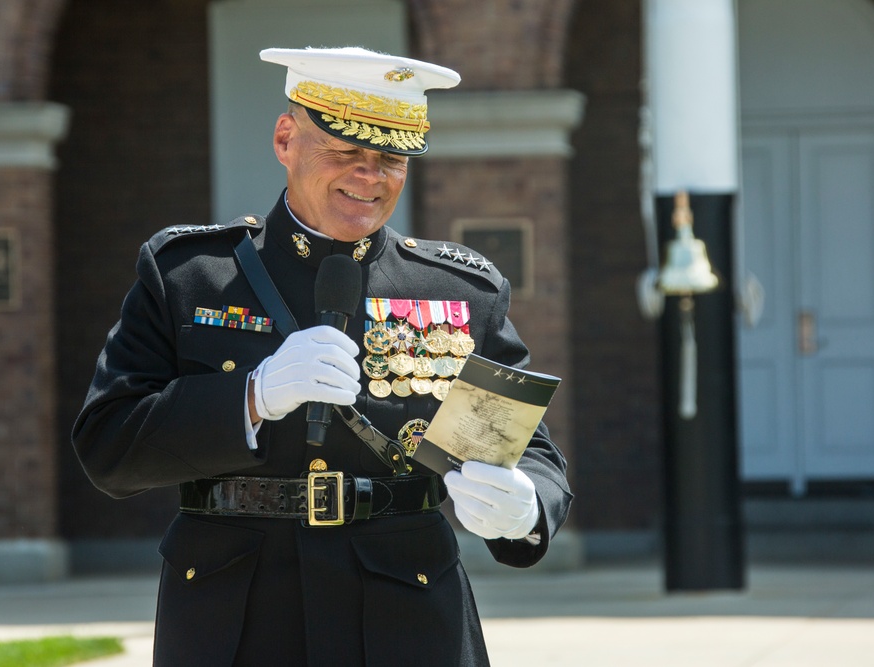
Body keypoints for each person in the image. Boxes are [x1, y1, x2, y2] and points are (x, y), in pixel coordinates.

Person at [71, 46, 572, 666]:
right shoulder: (190, 277)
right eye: (345, 151)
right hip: (237, 615)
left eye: (391, 158)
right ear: (286, 139)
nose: (370, 176)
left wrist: (526, 507)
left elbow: (533, 452)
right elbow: (108, 448)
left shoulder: (457, 291)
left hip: (407, 616)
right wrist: (248, 398)